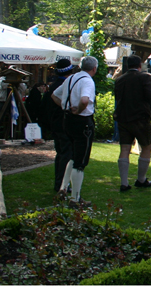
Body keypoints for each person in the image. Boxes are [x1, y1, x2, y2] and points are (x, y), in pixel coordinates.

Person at [51, 56, 98, 209]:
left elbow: (54, 95)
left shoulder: (71, 78)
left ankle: (63, 189)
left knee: (72, 155)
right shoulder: (87, 81)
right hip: (82, 122)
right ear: (94, 69)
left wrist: (66, 107)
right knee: (80, 161)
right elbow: (85, 100)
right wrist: (78, 110)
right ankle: (75, 198)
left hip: (67, 120)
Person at [114, 55, 151, 192]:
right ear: (140, 66)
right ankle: (141, 179)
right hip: (140, 118)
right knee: (146, 147)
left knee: (124, 149)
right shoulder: (144, 77)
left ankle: (124, 182)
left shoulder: (119, 80)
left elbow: (118, 98)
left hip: (123, 118)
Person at [45, 59, 76, 192]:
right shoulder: (66, 85)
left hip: (55, 123)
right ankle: (62, 184)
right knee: (66, 154)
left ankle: (59, 182)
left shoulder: (53, 85)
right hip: (64, 123)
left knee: (60, 153)